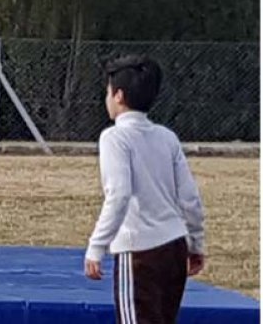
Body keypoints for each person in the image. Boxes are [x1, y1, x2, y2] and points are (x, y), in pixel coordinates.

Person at [84, 55, 206, 324]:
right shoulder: (166, 137)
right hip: (174, 246)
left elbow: (119, 194)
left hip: (139, 251)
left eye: (107, 92)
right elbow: (189, 197)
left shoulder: (114, 137)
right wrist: (195, 242)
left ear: (118, 95)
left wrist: (97, 246)